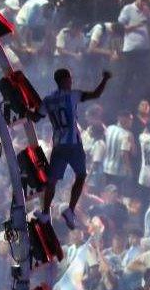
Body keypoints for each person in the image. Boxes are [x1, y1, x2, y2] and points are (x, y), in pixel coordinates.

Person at [42, 68, 111, 229]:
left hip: (58, 144)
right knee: (81, 175)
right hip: (72, 144)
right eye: (70, 79)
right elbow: (95, 94)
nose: (72, 81)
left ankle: (45, 212)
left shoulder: (48, 99)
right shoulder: (72, 95)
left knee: (51, 181)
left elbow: (36, 115)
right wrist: (105, 79)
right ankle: (70, 210)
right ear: (65, 80)